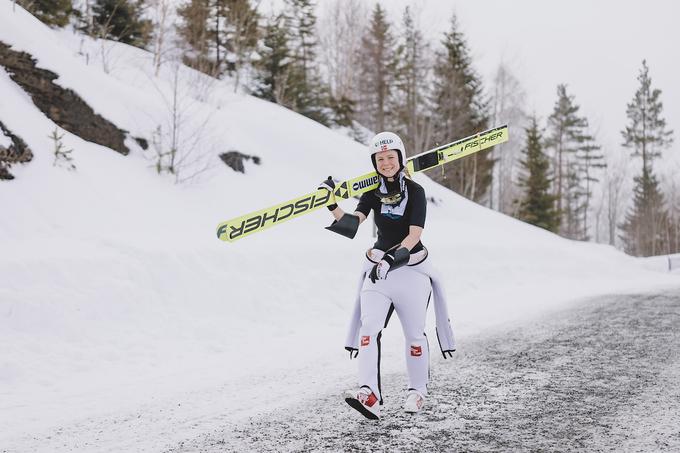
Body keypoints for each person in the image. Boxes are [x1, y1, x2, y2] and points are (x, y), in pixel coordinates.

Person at [318, 131, 456, 420]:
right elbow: (353, 224)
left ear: (400, 158)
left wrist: (395, 256)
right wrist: (331, 204)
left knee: (414, 336)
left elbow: (415, 234)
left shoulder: (416, 191)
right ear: (374, 162)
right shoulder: (371, 193)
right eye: (380, 159)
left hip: (411, 271)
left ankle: (417, 391)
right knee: (368, 330)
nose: (386, 163)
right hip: (378, 270)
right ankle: (369, 394)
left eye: (390, 158)